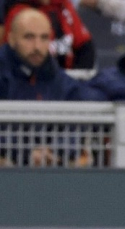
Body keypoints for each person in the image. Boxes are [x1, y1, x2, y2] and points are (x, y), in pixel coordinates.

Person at [0, 8, 98, 166]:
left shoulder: (58, 79)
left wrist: (55, 149)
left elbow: (82, 119)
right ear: (11, 39)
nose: (37, 46)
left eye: (44, 38)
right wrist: (27, 153)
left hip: (52, 166)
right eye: (29, 37)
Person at [1, 0, 96, 69]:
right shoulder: (18, 13)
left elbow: (85, 45)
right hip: (34, 80)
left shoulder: (63, 5)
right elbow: (12, 56)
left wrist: (75, 77)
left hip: (68, 78)